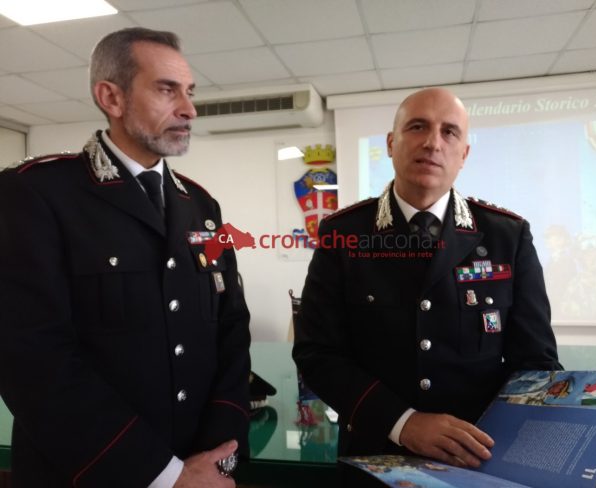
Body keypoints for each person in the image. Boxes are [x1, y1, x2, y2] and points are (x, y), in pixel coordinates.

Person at [0, 28, 250, 488]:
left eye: (190, 92)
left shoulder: (200, 204)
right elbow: (31, 358)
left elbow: (231, 329)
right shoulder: (36, 193)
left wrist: (220, 452)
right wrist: (166, 476)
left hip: (201, 467)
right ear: (111, 97)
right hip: (97, 472)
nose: (189, 109)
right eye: (167, 90)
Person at [293, 88, 561, 469]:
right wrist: (404, 424)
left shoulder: (507, 237)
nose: (433, 143)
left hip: (477, 459)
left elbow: (535, 362)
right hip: (375, 454)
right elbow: (317, 354)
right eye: (418, 127)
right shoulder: (343, 234)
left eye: (450, 132)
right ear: (391, 143)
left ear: (464, 154)